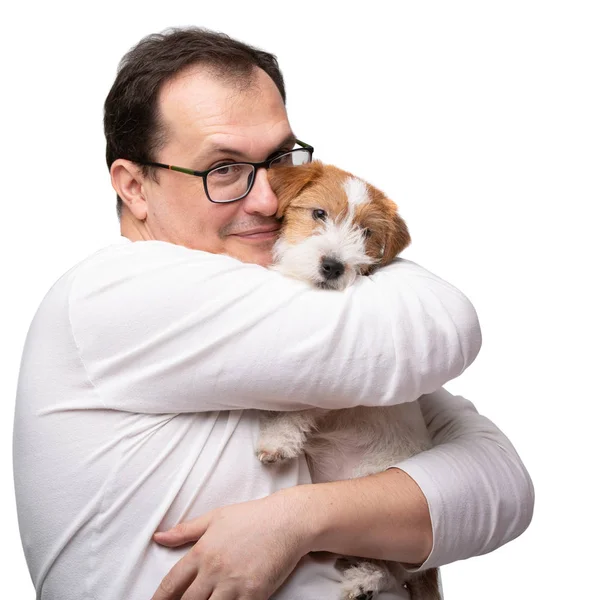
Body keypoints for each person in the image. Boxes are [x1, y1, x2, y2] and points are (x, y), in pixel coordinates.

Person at [13, 27, 534, 600]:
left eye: (280, 159)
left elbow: (503, 483)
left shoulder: (289, 316)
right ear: (134, 187)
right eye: (224, 168)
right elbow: (445, 326)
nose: (271, 198)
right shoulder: (115, 292)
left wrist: (300, 518)